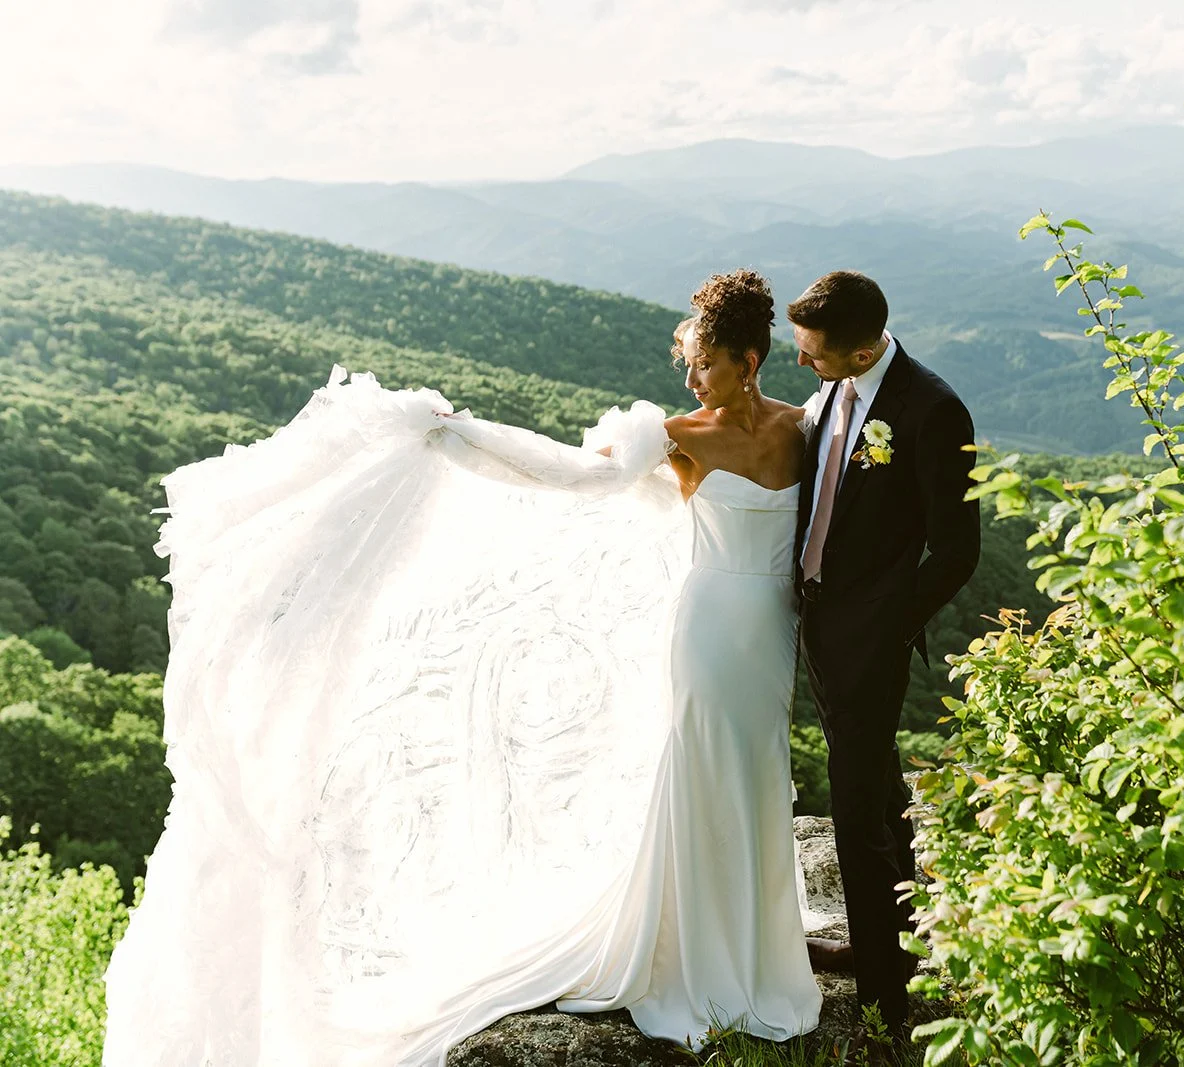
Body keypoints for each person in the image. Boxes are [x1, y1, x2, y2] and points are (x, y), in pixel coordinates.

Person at [101, 270, 826, 1065]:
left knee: (756, 768)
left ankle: (755, 949)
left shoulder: (805, 428)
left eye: (707, 364)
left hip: (769, 630)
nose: (691, 380)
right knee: (701, 769)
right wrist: (459, 437)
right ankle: (705, 954)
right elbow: (574, 474)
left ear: (749, 361)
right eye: (689, 365)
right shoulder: (682, 434)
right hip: (711, 628)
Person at [788, 271, 981, 1041]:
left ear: (865, 348)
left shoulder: (932, 410)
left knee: (856, 801)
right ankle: (900, 938)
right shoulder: (834, 390)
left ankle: (882, 997)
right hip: (816, 622)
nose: (802, 366)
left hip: (868, 634)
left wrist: (885, 621)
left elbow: (958, 550)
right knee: (871, 776)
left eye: (814, 356)